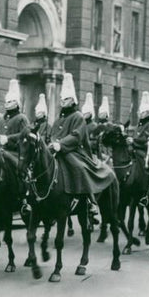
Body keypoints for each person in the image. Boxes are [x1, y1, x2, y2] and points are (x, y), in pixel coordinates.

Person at [48, 74, 114, 216]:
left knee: (79, 168)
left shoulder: (77, 117)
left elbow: (76, 136)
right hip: (57, 149)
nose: (62, 101)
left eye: (65, 99)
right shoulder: (59, 119)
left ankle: (91, 201)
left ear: (72, 100)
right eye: (61, 99)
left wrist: (61, 144)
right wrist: (53, 143)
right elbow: (52, 133)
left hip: (74, 151)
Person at [0, 79, 29, 158]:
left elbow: (25, 135)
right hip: (0, 153)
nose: (7, 103)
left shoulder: (22, 118)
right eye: (7, 101)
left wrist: (8, 139)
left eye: (10, 101)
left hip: (16, 153)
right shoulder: (1, 120)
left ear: (16, 103)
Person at [92, 96, 112, 161]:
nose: (101, 114)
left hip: (107, 150)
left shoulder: (109, 125)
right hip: (98, 151)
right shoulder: (97, 126)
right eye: (100, 113)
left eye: (103, 113)